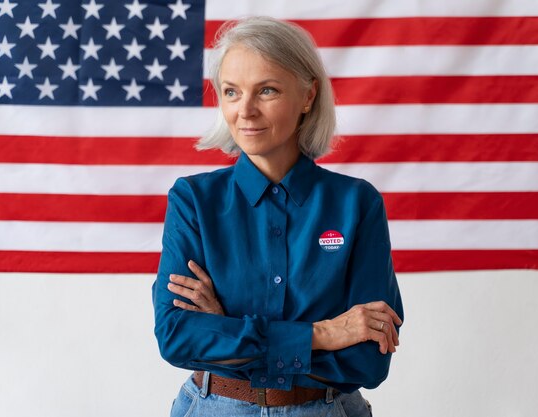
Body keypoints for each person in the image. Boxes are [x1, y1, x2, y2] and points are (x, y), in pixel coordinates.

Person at [152, 16, 404, 417]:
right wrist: (323, 334)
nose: (245, 110)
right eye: (232, 92)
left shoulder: (357, 204)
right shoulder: (193, 200)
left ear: (308, 97)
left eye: (266, 90)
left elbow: (367, 361)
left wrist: (228, 330)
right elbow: (178, 337)